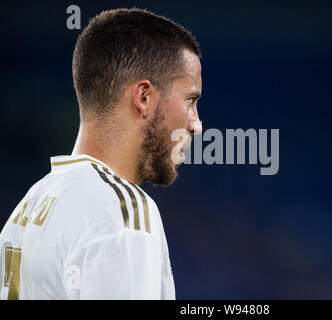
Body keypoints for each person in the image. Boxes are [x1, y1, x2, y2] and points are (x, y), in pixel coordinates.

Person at [0, 8, 202, 299]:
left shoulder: (27, 208)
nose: (196, 123)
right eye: (190, 100)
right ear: (143, 97)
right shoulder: (122, 209)